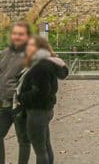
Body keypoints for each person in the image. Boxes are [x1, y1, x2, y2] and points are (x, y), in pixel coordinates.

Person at [14, 36, 68, 164]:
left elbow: (41, 91)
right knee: (45, 146)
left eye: (32, 45)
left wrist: (21, 97)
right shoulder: (45, 63)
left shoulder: (40, 66)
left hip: (37, 111)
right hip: (43, 110)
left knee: (40, 150)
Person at [0, 22, 32, 164]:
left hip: (20, 105)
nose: (17, 37)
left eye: (21, 34)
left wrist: (25, 100)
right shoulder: (4, 53)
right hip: (3, 104)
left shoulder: (31, 55)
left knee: (23, 140)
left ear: (27, 36)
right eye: (15, 34)